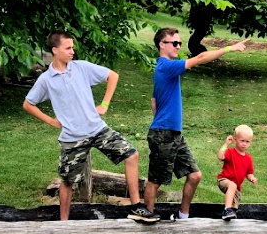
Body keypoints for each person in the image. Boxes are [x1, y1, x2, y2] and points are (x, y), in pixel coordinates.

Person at [23, 31, 159, 223]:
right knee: (68, 181)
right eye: (68, 48)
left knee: (131, 154)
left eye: (72, 47)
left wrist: (104, 104)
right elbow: (28, 104)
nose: (72, 51)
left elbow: (112, 76)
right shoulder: (47, 79)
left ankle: (136, 206)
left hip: (97, 129)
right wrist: (51, 121)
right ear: (55, 50)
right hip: (72, 137)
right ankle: (63, 223)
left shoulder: (81, 67)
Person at [143, 28, 249, 219]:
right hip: (164, 133)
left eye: (179, 43)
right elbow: (200, 58)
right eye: (174, 43)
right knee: (156, 180)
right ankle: (147, 215)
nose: (178, 47)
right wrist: (229, 49)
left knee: (195, 175)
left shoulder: (164, 69)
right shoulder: (166, 66)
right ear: (161, 44)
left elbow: (154, 101)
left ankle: (183, 217)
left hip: (173, 132)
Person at [216, 124, 257, 221]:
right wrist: (226, 144)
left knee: (235, 206)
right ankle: (227, 210)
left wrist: (251, 178)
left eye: (247, 142)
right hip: (224, 180)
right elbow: (220, 156)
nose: (244, 144)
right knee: (232, 186)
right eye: (242, 141)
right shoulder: (230, 152)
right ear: (235, 139)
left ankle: (229, 216)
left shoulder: (248, 158)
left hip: (236, 187)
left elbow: (249, 172)